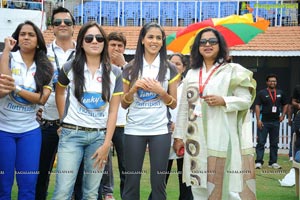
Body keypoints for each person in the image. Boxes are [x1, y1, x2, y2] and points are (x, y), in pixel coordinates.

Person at [173, 27, 256, 199]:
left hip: (222, 136)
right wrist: (178, 136)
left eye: (212, 41)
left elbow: (246, 99)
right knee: (198, 187)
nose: (207, 45)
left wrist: (224, 100)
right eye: (202, 42)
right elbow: (183, 108)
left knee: (226, 186)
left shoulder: (233, 70)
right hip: (195, 138)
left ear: (220, 45)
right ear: (197, 47)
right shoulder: (191, 73)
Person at [52, 21, 122, 200]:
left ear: (104, 43)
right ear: (82, 42)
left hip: (99, 139)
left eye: (99, 38)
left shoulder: (115, 73)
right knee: (62, 192)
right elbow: (59, 93)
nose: (94, 41)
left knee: (91, 194)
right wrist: (63, 120)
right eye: (89, 38)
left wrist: (107, 144)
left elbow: (113, 111)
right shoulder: (69, 67)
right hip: (71, 137)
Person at [121, 22, 180, 200]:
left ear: (162, 42)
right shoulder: (130, 68)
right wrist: (133, 90)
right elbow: (124, 103)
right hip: (134, 130)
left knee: (158, 183)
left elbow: (173, 103)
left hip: (160, 131)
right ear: (142, 40)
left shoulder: (170, 68)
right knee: (131, 181)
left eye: (158, 38)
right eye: (150, 37)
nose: (154, 41)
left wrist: (161, 92)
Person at [0, 20, 53, 199]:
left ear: (38, 40)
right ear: (16, 38)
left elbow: (42, 99)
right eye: (22, 34)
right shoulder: (7, 57)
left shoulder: (46, 67)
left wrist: (16, 88)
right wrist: (6, 51)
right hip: (3, 130)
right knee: (3, 185)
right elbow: (4, 85)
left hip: (29, 132)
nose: (26, 37)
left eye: (31, 34)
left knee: (28, 185)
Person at [35, 6, 76, 200]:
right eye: (57, 22)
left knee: (76, 177)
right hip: (48, 122)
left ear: (73, 27)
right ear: (51, 27)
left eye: (67, 22)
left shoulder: (84, 52)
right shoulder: (42, 53)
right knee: (41, 175)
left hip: (76, 123)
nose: (62, 25)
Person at [148, 53, 192, 200]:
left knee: (185, 179)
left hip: (185, 136)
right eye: (170, 63)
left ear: (184, 68)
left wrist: (180, 126)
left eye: (177, 64)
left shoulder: (189, 86)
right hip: (164, 134)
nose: (173, 67)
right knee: (161, 177)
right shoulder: (161, 86)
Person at [98, 31, 127, 200]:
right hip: (103, 122)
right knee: (103, 163)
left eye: (120, 46)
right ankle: (106, 194)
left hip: (124, 123)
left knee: (126, 166)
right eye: (113, 45)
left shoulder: (130, 67)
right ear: (106, 46)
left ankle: (127, 195)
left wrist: (124, 66)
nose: (116, 49)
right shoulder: (99, 66)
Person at [255, 74, 288, 169]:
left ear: (276, 82)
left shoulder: (280, 93)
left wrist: (283, 115)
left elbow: (285, 104)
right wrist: (258, 120)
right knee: (261, 142)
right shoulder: (262, 93)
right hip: (264, 122)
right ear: (267, 82)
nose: (272, 82)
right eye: (270, 81)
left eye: (274, 81)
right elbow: (257, 105)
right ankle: (259, 162)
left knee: (274, 143)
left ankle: (273, 162)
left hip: (275, 122)